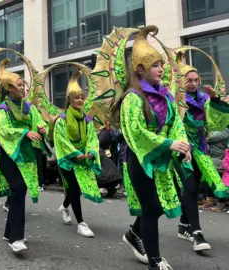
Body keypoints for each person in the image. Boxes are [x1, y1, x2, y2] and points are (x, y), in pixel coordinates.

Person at [117, 26, 191, 269]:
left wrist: (182, 144)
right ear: (140, 69)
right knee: (151, 207)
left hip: (164, 157)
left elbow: (176, 122)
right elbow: (135, 132)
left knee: (164, 202)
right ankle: (155, 260)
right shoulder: (132, 97)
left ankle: (133, 234)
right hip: (141, 159)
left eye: (161, 64)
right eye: (156, 65)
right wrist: (169, 143)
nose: (161, 69)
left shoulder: (166, 95)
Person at [171, 59, 229, 251]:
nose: (193, 83)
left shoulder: (204, 98)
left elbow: (216, 125)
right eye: (189, 80)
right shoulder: (175, 98)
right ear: (182, 81)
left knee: (195, 189)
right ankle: (197, 233)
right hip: (183, 147)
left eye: (196, 80)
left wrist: (215, 99)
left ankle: (183, 226)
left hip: (201, 149)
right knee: (189, 186)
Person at [0, 59, 48, 253]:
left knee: (19, 192)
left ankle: (9, 232)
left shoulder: (30, 108)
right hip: (9, 156)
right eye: (19, 85)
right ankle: (16, 238)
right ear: (9, 89)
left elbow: (39, 122)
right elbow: (3, 131)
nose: (23, 88)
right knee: (17, 188)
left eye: (23, 84)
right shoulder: (3, 109)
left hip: (25, 156)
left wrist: (43, 127)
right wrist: (24, 133)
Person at [53, 71, 102, 237]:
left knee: (76, 189)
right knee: (74, 187)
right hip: (67, 158)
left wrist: (90, 151)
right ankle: (81, 223)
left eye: (82, 97)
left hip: (82, 158)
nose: (80, 100)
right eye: (76, 98)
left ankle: (65, 206)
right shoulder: (62, 119)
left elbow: (92, 137)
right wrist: (74, 153)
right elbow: (60, 139)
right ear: (69, 100)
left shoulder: (87, 119)